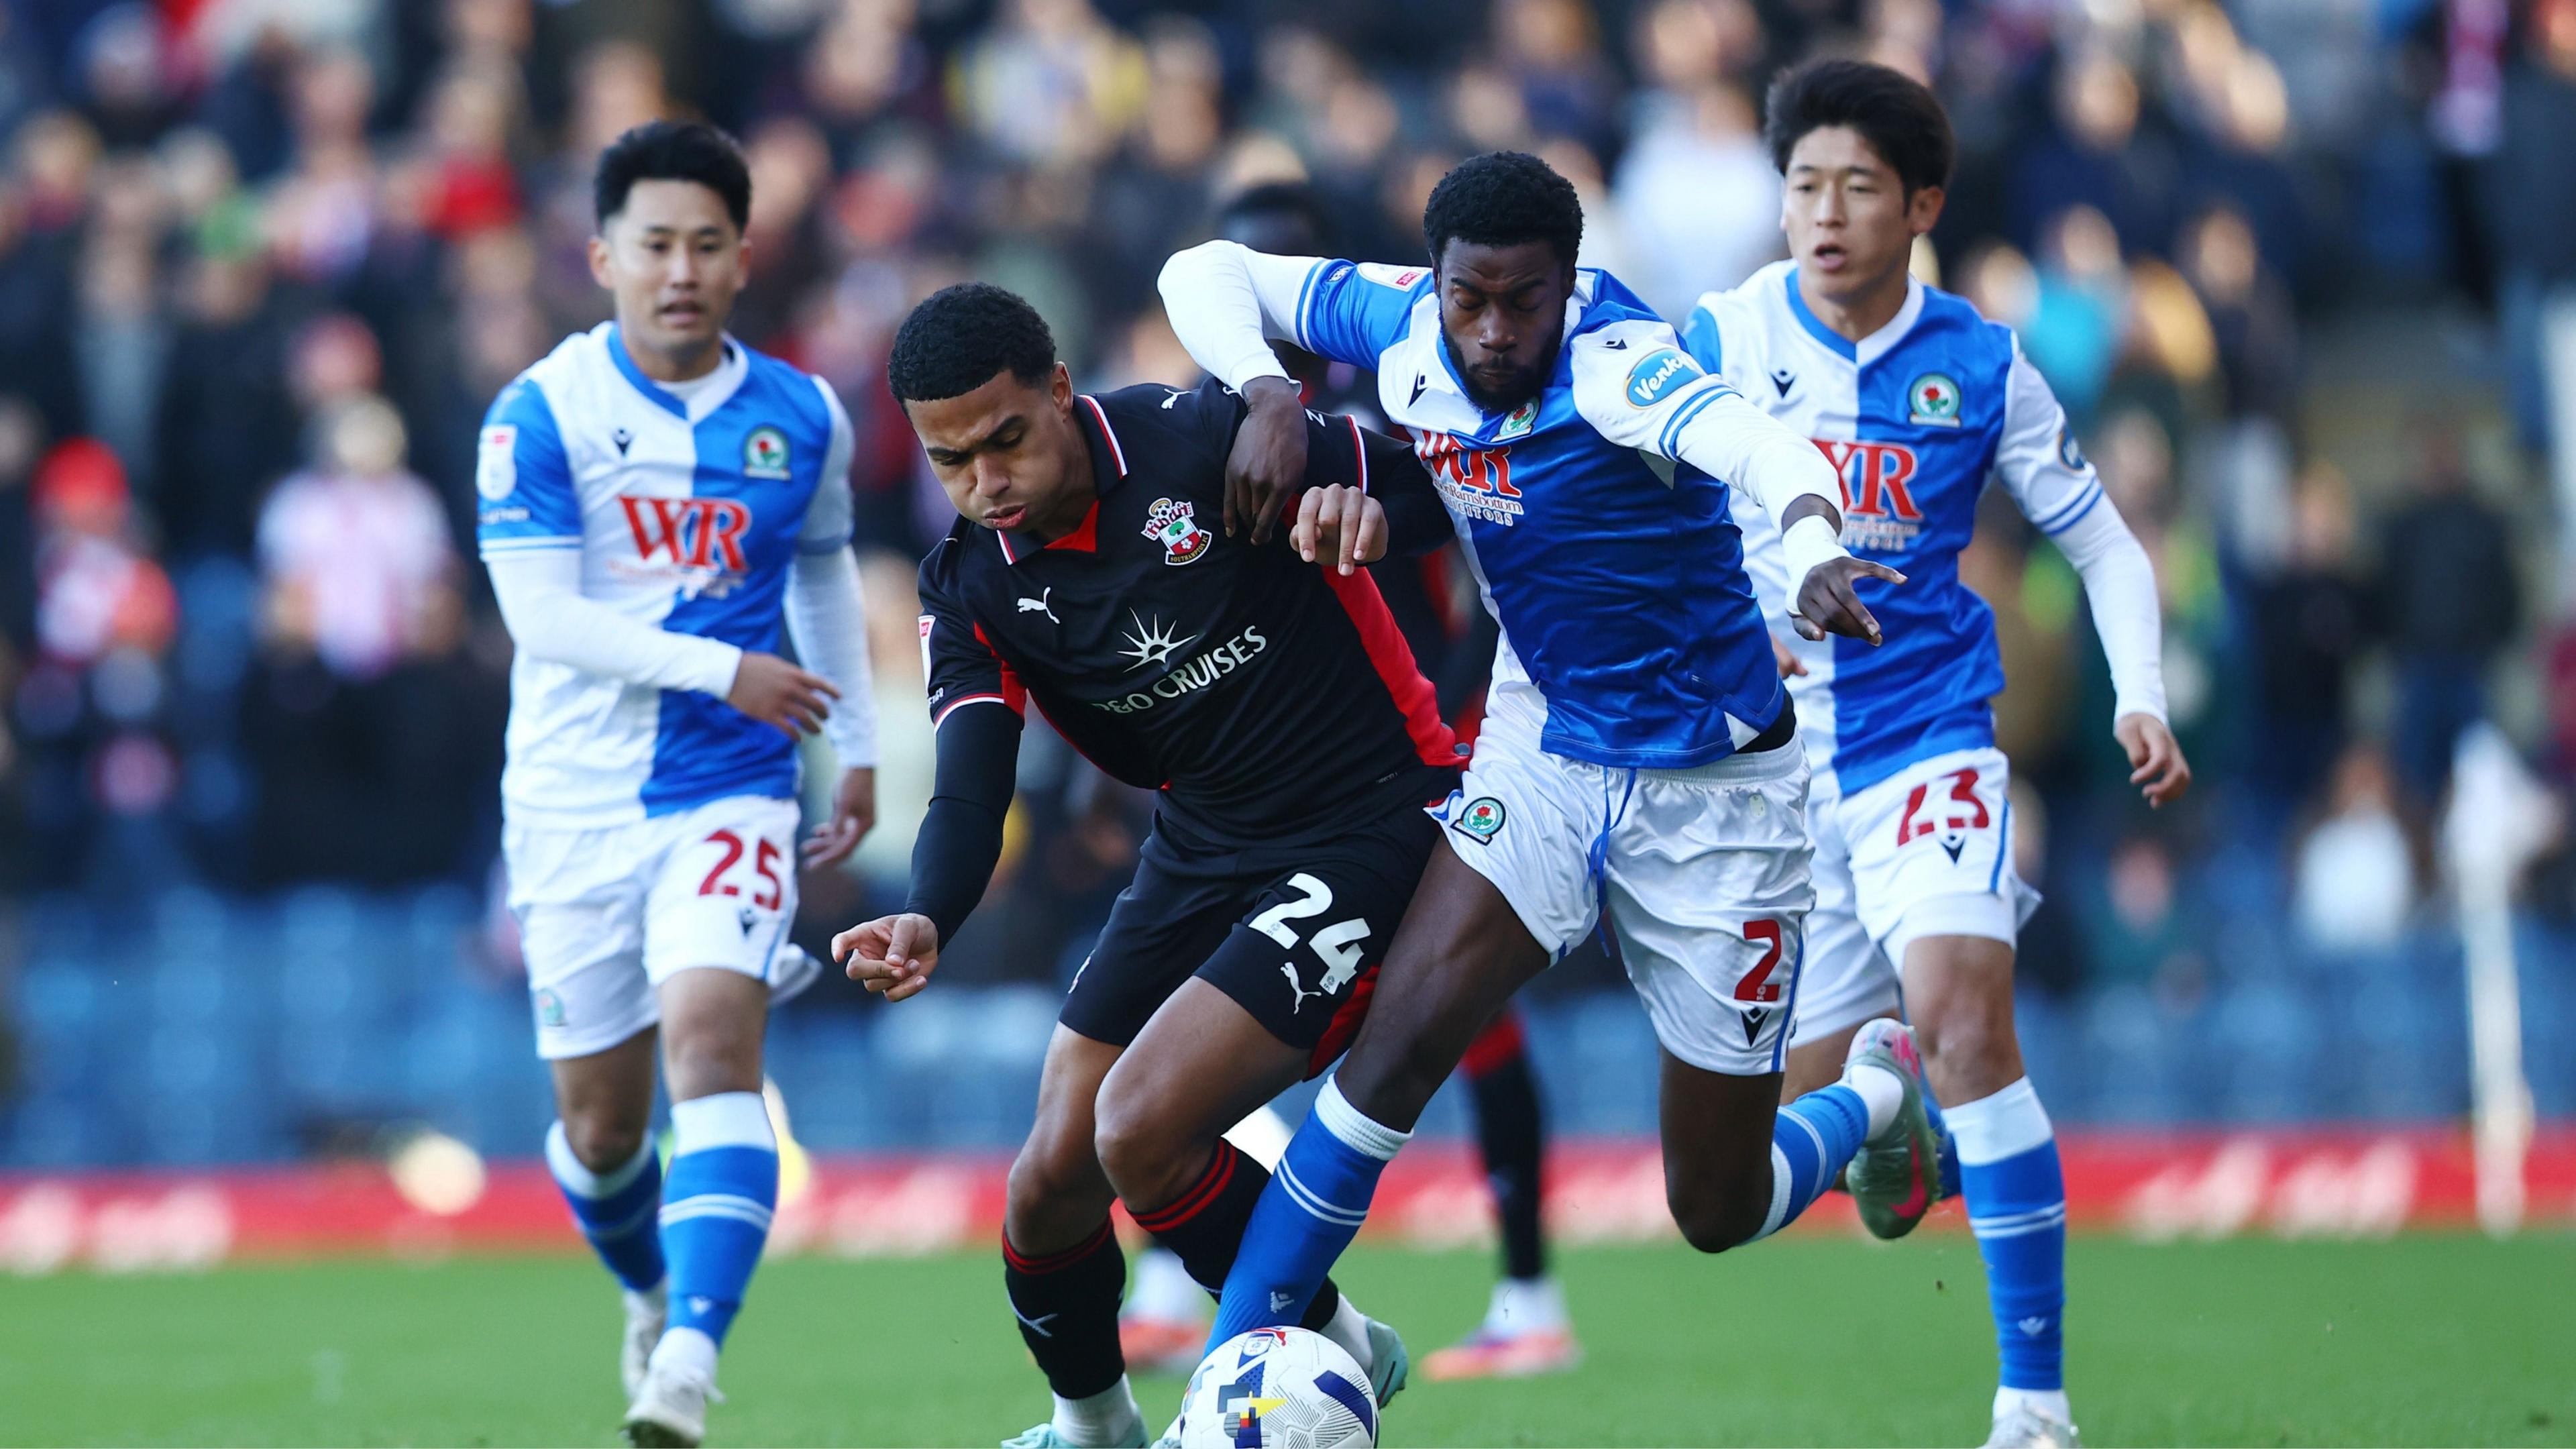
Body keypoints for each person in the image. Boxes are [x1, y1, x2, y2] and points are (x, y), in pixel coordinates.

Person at [1155, 149, 1941, 1373]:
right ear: (1437, 281)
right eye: (1469, 298)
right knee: (1392, 1055)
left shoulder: (1624, 367)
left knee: (1717, 1205)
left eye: (1524, 301)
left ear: (1568, 287)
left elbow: (1768, 453)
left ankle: (1880, 1096)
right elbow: (1203, 269)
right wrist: (1266, 396)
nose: (1492, 329)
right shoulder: (1402, 322)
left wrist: (1812, 547)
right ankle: (1236, 1373)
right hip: (1546, 746)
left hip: (1714, 794)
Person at [831, 282, 1459, 1449]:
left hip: (1371, 821)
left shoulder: (1201, 438)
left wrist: (1366, 511)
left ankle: (1332, 1340)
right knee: (1048, 1182)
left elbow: (1447, 491)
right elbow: (971, 788)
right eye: (950, 460)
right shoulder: (970, 585)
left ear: (1062, 390)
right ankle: (1097, 1429)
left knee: (1141, 1131)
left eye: (1007, 439)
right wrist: (927, 914)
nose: (986, 482)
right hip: (1204, 844)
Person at [1682, 60, 2191, 1449]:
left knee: (1972, 1029)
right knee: (1781, 1146)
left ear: (1922, 206)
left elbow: (2102, 542)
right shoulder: (1720, 338)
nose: (1824, 213)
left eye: (1857, 187)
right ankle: (1885, 1097)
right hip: (1771, 776)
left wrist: (2139, 695)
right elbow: (1631, 509)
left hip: (1928, 737)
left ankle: (2034, 1408)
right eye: (1803, 185)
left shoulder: (1981, 362)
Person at [1112, 180, 1580, 1385]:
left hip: (1407, 761)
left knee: (1461, 1020)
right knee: (1195, 1008)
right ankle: (1182, 1278)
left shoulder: (1396, 424)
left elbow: (1486, 580)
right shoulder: (1200, 434)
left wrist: (1469, 726)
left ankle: (1527, 1294)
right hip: (1257, 787)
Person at [475, 120, 879, 1449]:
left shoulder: (802, 415)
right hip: (570, 801)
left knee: (712, 1043)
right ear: (603, 258)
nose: (682, 270)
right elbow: (541, 618)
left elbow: (822, 571)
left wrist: (859, 745)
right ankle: (651, 1292)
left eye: (708, 244)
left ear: (744, 258)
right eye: (656, 244)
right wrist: (726, 668)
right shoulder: (538, 414)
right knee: (600, 1135)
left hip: (731, 784)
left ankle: (692, 1363)